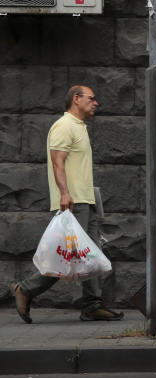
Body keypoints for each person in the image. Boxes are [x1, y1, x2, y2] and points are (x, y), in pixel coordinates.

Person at [9, 86, 124, 324]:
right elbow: (57, 161)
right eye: (91, 99)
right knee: (67, 256)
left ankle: (93, 305)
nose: (96, 103)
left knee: (91, 254)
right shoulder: (63, 126)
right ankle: (26, 289)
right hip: (72, 202)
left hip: (85, 201)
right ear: (76, 99)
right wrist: (64, 194)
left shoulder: (79, 127)